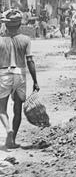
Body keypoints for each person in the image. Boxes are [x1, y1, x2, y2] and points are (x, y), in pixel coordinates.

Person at [0, 10, 40, 150]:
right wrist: (35, 81)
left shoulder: (0, 40)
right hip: (20, 75)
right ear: (19, 25)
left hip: (4, 74)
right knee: (17, 109)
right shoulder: (25, 39)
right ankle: (13, 139)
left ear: (6, 24)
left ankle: (8, 130)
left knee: (2, 109)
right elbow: (30, 61)